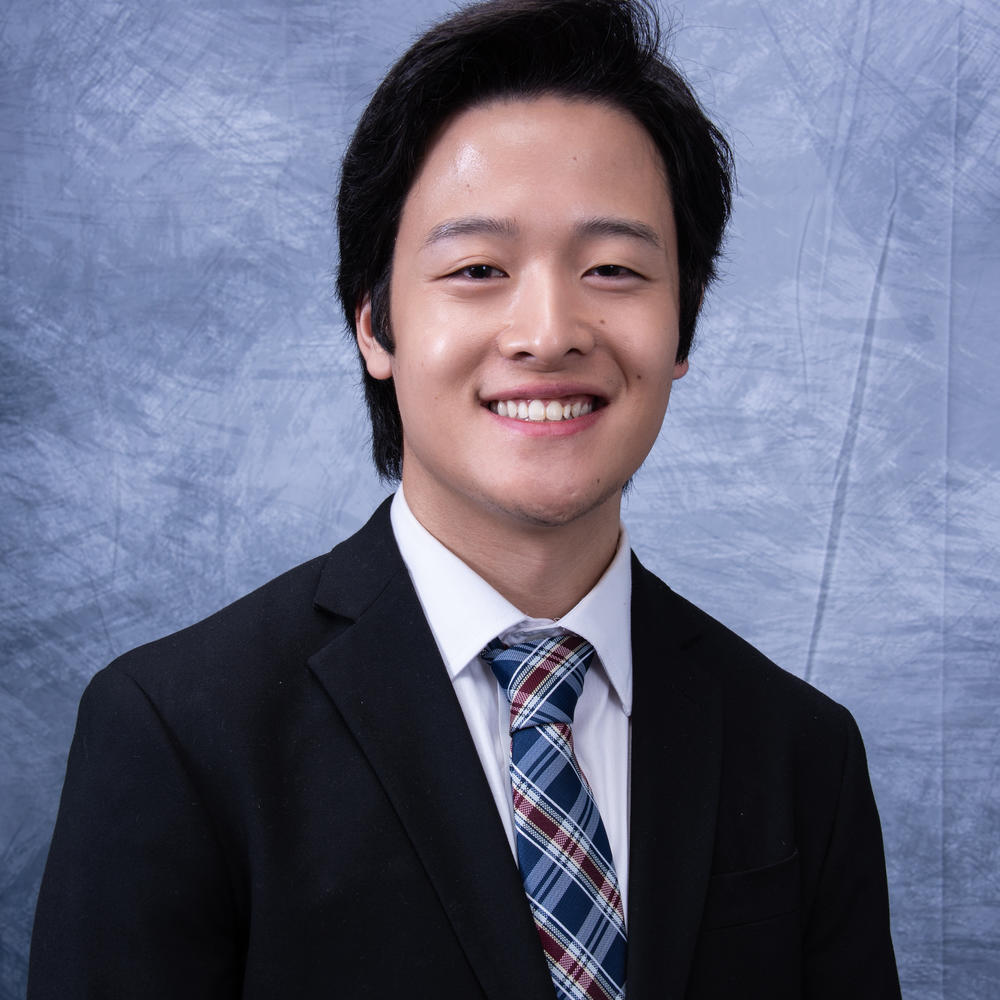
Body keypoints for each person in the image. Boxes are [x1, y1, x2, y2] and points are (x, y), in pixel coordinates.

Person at [28, 1, 901, 997]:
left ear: (681, 327)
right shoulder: (178, 735)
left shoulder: (799, 752)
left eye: (613, 269)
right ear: (375, 324)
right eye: (478, 268)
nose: (548, 330)